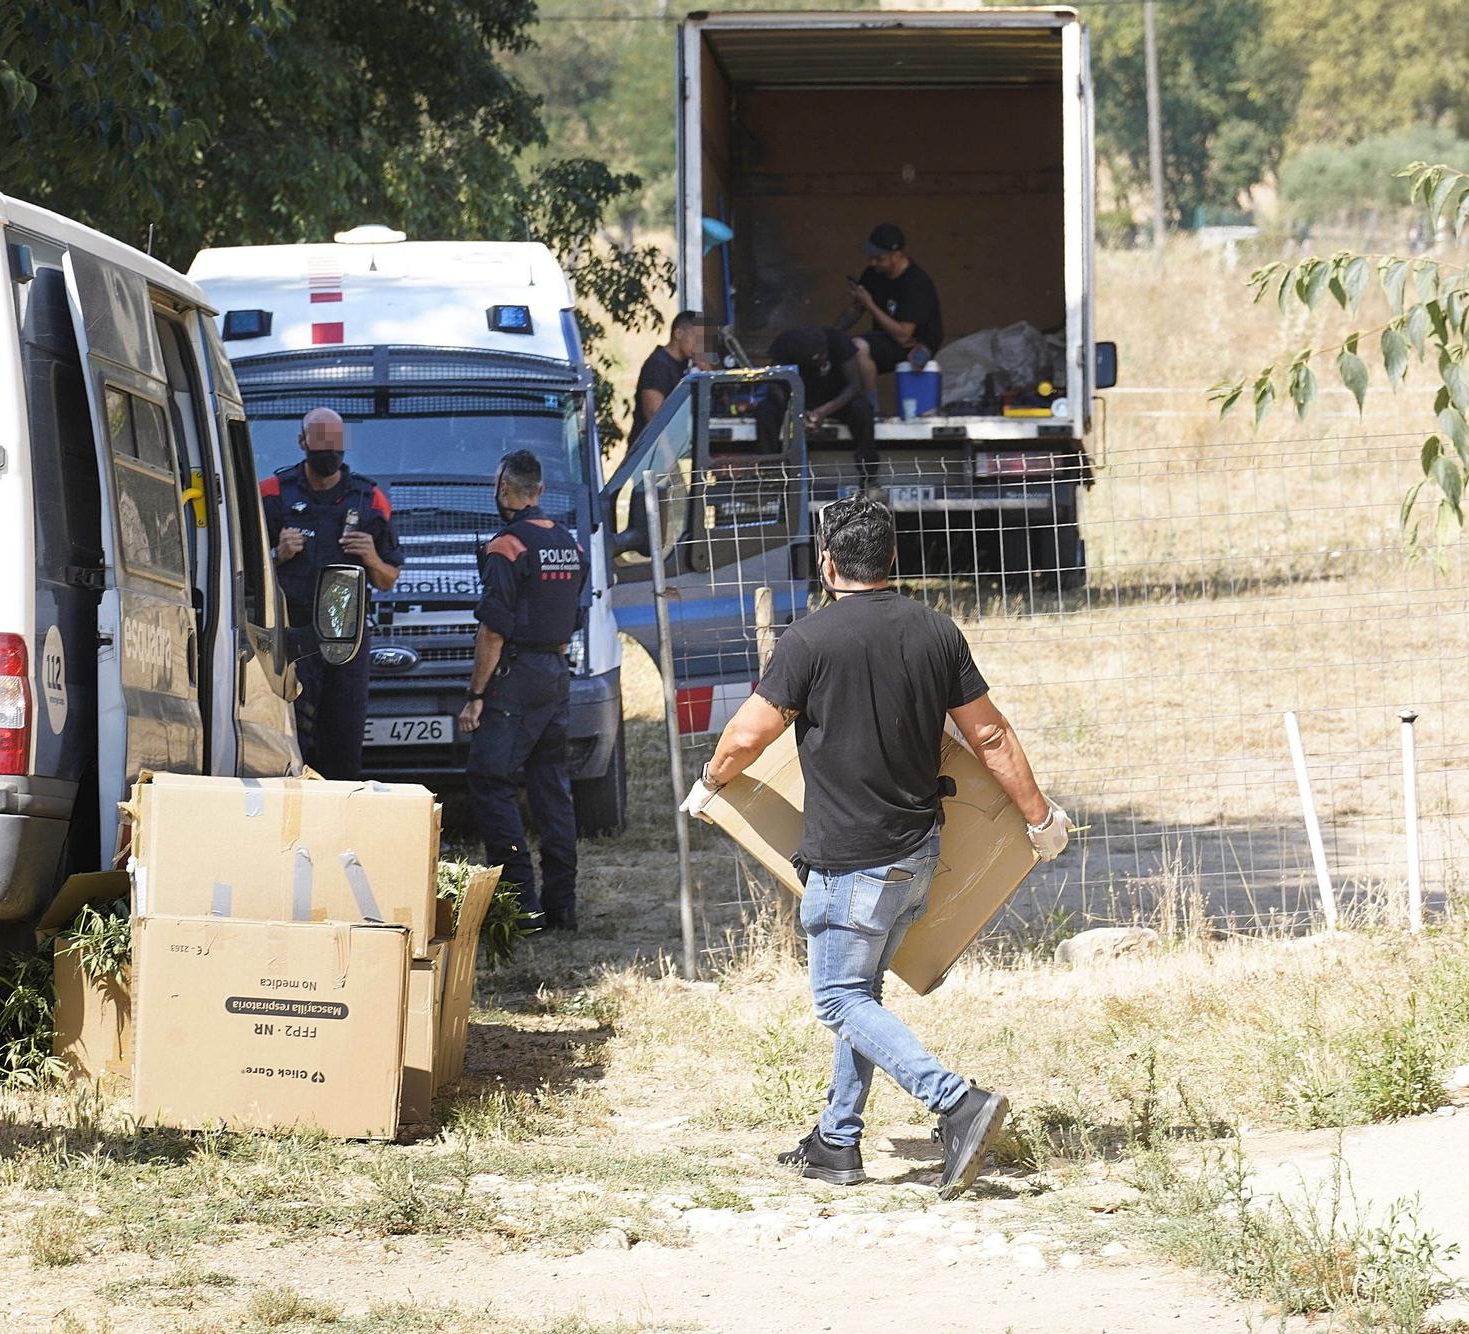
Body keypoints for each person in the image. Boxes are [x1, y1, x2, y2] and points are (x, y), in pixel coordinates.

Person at [683, 495, 1072, 1199]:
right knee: (860, 994)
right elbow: (989, 736)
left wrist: (711, 780)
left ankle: (955, 1102)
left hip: (850, 864)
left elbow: (745, 736)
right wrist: (1039, 819)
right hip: (917, 856)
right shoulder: (936, 632)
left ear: (828, 563)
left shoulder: (806, 642)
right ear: (892, 560)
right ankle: (837, 1140)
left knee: (838, 1000)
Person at [459, 450, 588, 932]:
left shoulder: (505, 547)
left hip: (515, 677)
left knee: (490, 781)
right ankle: (563, 906)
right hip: (556, 673)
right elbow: (574, 611)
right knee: (551, 785)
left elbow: (492, 631)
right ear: (540, 491)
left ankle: (520, 904)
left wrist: (476, 695)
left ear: (505, 489)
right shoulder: (568, 544)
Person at [261, 407, 403, 780]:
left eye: (334, 444)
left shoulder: (368, 499)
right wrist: (277, 555)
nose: (328, 452)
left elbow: (389, 578)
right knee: (288, 742)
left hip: (347, 638)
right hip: (292, 635)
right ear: (302, 442)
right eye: (319, 441)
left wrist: (371, 557)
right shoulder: (273, 493)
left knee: (343, 744)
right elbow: (240, 570)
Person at [758, 325, 880, 484]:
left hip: (836, 399)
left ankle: (869, 475)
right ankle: (770, 475)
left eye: (824, 355)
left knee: (862, 408)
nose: (823, 359)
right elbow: (776, 387)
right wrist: (797, 412)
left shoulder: (838, 340)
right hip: (797, 398)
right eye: (817, 358)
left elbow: (855, 387)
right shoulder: (785, 345)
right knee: (765, 410)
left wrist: (822, 412)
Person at [836, 223, 944, 375]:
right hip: (884, 337)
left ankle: (869, 399)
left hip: (913, 345)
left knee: (858, 348)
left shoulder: (915, 283)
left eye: (879, 258)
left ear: (897, 256)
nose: (872, 263)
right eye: (871, 257)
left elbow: (903, 336)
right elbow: (856, 309)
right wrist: (832, 333)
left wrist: (869, 304)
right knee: (839, 353)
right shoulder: (873, 272)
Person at [630, 310, 707, 448]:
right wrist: (667, 457)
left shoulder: (683, 365)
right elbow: (654, 415)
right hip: (649, 454)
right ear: (678, 334)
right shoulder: (658, 365)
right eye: (696, 338)